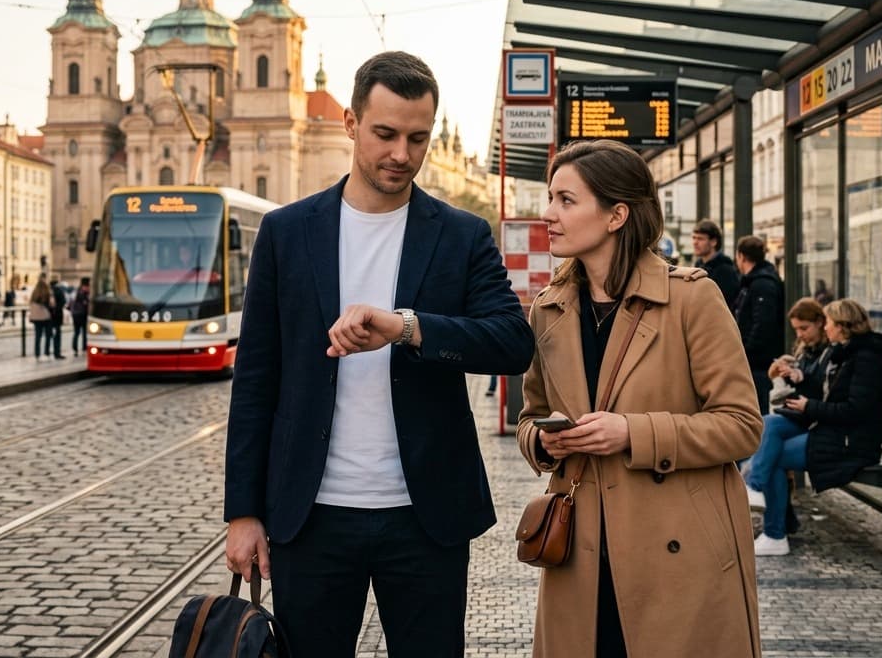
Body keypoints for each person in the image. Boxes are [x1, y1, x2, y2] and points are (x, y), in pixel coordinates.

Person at [223, 51, 535, 657]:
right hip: (308, 516)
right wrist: (243, 512)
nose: (401, 154)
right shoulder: (288, 233)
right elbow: (256, 378)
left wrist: (407, 328)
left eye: (418, 138)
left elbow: (512, 342)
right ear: (350, 123)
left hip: (425, 516)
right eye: (385, 134)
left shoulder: (461, 232)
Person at [518, 139, 762, 657]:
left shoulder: (691, 297)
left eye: (566, 200)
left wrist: (632, 433)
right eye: (550, 198)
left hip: (678, 553)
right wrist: (544, 442)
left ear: (616, 215)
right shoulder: (549, 310)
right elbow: (530, 418)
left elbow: (742, 424)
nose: (548, 214)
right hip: (579, 554)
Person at [746, 298, 882, 557]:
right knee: (769, 425)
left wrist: (809, 407)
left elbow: (855, 410)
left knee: (774, 455)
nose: (826, 328)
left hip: (850, 441)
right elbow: (829, 393)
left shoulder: (865, 359)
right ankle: (756, 493)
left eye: (830, 323)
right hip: (833, 431)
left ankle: (775, 530)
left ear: (844, 326)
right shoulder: (843, 352)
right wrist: (800, 379)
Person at [746, 298, 833, 533]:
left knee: (769, 436)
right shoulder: (805, 350)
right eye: (796, 329)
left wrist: (800, 376)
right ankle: (777, 521)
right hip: (804, 417)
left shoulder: (830, 351)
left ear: (820, 322)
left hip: (819, 422)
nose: (801, 334)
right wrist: (781, 375)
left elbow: (825, 391)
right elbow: (794, 393)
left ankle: (768, 513)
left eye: (804, 328)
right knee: (767, 429)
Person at [734, 235, 785, 418]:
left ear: (741, 256)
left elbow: (762, 325)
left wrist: (745, 351)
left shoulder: (761, 284)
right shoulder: (757, 281)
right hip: (757, 361)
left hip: (758, 363)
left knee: (758, 410)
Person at [691, 219, 740, 305]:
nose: (695, 242)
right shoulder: (699, 265)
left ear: (713, 242)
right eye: (694, 238)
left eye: (700, 239)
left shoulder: (725, 270)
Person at [28, 278, 54, 360]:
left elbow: (31, 304)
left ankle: (37, 353)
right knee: (48, 335)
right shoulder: (47, 293)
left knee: (38, 336)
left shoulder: (34, 294)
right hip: (45, 317)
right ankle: (46, 352)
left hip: (36, 318)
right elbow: (52, 304)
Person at [48, 277, 67, 360]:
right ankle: (57, 353)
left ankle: (47, 352)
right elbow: (63, 301)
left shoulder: (47, 291)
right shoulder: (59, 291)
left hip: (48, 316)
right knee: (57, 336)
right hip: (57, 316)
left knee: (49, 335)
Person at [70, 277, 90, 355]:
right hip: (81, 314)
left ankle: (75, 348)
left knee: (77, 332)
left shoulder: (76, 291)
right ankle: (83, 348)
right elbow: (86, 303)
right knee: (82, 332)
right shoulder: (83, 293)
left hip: (75, 314)